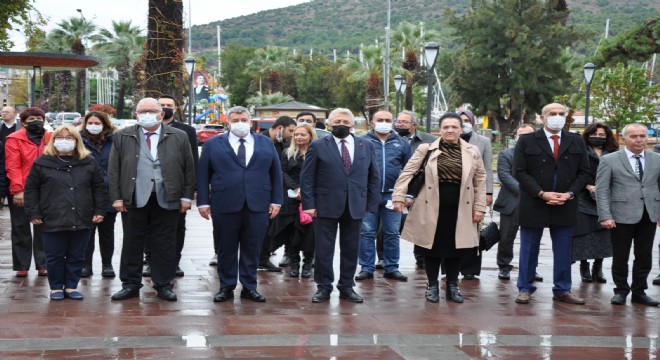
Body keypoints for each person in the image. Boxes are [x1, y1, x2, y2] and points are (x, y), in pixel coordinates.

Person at [392, 112, 486, 304]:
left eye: (454, 127)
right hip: (430, 206)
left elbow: (480, 181)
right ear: (440, 130)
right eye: (446, 127)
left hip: (461, 208)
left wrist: (479, 208)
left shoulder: (472, 151)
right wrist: (398, 197)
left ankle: (452, 285)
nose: (450, 130)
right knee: (431, 247)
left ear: (461, 129)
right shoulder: (426, 149)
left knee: (456, 248)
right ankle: (432, 285)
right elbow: (407, 173)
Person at [108, 98, 195, 302]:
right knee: (132, 242)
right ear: (136, 114)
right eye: (142, 110)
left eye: (152, 110)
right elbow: (114, 169)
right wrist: (117, 197)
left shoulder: (179, 136)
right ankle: (130, 284)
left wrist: (186, 196)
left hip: (168, 197)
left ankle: (163, 284)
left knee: (165, 243)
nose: (147, 114)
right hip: (134, 197)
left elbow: (188, 168)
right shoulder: (123, 136)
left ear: (161, 114)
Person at [197, 106, 283, 303]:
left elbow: (275, 174)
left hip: (258, 203)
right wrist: (202, 202)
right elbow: (203, 175)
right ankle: (226, 286)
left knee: (252, 247)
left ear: (250, 121)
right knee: (225, 248)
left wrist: (276, 200)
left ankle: (249, 287)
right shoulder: (212, 144)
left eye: (244, 119)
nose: (240, 123)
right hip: (224, 203)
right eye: (235, 120)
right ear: (228, 122)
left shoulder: (265, 143)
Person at [300, 108, 380, 303]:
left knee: (351, 248)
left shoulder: (366, 145)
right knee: (324, 249)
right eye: (337, 121)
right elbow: (307, 177)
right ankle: (323, 287)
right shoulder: (318, 145)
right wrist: (309, 204)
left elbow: (374, 176)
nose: (341, 124)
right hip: (325, 205)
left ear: (352, 124)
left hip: (355, 204)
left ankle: (346, 286)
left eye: (345, 121)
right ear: (329, 124)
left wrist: (370, 203)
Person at [514, 103, 590, 305]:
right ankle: (525, 288)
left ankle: (563, 289)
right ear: (542, 117)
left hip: (565, 203)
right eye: (552, 114)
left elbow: (584, 172)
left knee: (564, 249)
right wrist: (541, 193)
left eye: (561, 114)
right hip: (534, 201)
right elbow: (520, 172)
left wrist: (569, 193)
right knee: (529, 248)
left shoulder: (575, 140)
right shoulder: (527, 140)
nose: (557, 117)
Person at [24, 125, 108, 300]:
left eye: (69, 138)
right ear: (53, 141)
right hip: (52, 215)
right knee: (54, 255)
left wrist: (100, 209)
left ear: (77, 141)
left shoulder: (89, 161)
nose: (64, 141)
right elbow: (31, 189)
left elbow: (99, 187)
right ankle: (55, 287)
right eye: (60, 138)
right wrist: (34, 212)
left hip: (82, 215)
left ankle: (71, 286)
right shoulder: (42, 162)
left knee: (77, 254)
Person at [596, 123, 660, 306]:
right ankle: (621, 290)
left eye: (642, 135)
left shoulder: (657, 158)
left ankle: (639, 291)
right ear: (624, 139)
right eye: (634, 136)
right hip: (620, 215)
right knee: (621, 255)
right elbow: (602, 190)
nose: (639, 140)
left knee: (644, 255)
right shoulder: (610, 160)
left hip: (649, 213)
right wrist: (605, 215)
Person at [140, 95, 200, 278]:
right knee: (148, 227)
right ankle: (150, 260)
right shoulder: (142, 129)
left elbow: (191, 162)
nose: (166, 108)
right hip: (148, 188)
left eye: (169, 105)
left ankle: (174, 261)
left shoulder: (186, 131)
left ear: (175, 109)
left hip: (175, 189)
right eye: (162, 105)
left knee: (177, 227)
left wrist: (191, 191)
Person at [355, 110, 411, 282]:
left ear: (393, 122)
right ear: (372, 122)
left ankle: (392, 267)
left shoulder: (402, 144)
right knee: (366, 232)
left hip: (393, 196)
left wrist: (408, 194)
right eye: (380, 120)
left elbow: (410, 170)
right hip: (367, 195)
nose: (384, 122)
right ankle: (366, 267)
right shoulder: (361, 142)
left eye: (387, 120)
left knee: (392, 232)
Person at [5, 107, 52, 277]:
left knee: (43, 227)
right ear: (23, 123)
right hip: (22, 190)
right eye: (31, 119)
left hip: (46, 190)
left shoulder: (51, 138)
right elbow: (13, 166)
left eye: (39, 118)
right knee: (20, 227)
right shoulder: (14, 139)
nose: (36, 121)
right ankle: (22, 265)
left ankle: (43, 264)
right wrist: (17, 190)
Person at [573, 122, 617, 283]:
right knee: (584, 233)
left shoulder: (613, 152)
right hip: (583, 197)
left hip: (606, 198)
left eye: (602, 135)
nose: (598, 138)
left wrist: (603, 188)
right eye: (595, 134)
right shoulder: (580, 151)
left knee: (604, 234)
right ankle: (584, 267)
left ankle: (598, 268)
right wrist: (588, 186)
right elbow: (574, 172)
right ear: (588, 134)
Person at [394, 110, 437, 269]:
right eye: (398, 121)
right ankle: (384, 258)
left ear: (414, 125)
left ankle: (421, 257)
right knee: (386, 227)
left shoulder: (429, 140)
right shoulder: (390, 139)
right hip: (395, 186)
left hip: (421, 187)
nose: (400, 125)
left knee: (422, 224)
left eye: (404, 122)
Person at [493, 124, 535, 280]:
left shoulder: (540, 155)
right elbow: (504, 176)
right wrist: (529, 192)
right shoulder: (506, 154)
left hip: (534, 203)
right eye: (521, 135)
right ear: (516, 137)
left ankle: (531, 267)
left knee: (532, 238)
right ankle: (504, 266)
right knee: (506, 237)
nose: (525, 138)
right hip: (512, 201)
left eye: (529, 135)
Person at [275, 123, 317, 277]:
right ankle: (294, 263)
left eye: (302, 134)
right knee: (291, 232)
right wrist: (296, 188)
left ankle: (307, 263)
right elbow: (282, 172)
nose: (299, 137)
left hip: (312, 197)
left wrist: (307, 191)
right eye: (296, 134)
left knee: (310, 233)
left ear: (310, 136)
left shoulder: (317, 152)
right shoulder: (288, 152)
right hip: (291, 198)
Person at [455, 109, 493, 280]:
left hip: (474, 191)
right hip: (453, 191)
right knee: (450, 230)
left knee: (473, 230)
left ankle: (470, 269)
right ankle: (451, 266)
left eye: (466, 120)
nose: (464, 123)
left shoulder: (483, 141)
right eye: (460, 120)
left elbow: (487, 168)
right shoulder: (447, 138)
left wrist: (488, 192)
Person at [79, 111, 118, 278]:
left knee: (107, 232)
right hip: (86, 193)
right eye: (90, 123)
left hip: (108, 192)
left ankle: (107, 264)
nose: (93, 126)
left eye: (97, 123)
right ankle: (86, 265)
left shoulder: (114, 140)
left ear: (105, 124)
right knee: (87, 232)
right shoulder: (79, 140)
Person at [259, 115, 296, 271]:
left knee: (271, 227)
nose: (292, 135)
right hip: (261, 191)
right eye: (290, 131)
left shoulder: (284, 144)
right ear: (280, 128)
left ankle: (263, 258)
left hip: (279, 193)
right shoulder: (260, 141)